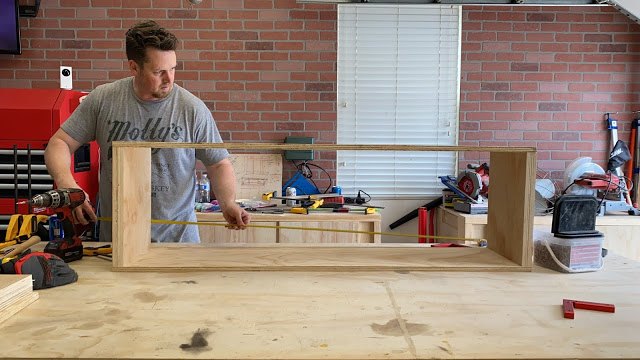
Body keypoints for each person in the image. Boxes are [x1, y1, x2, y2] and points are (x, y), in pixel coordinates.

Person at [44, 20, 250, 243]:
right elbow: (59, 143)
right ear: (134, 67)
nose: (169, 79)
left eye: (172, 69)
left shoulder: (191, 108)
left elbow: (218, 163)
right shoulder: (104, 100)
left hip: (178, 244)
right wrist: (70, 187)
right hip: (118, 243)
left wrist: (228, 203)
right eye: (159, 71)